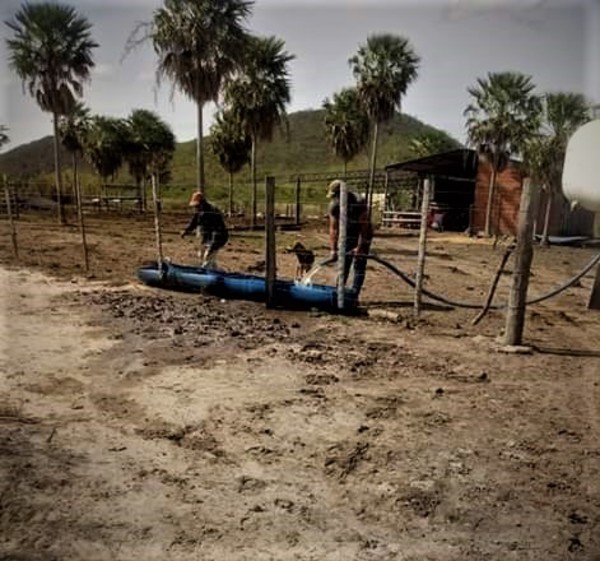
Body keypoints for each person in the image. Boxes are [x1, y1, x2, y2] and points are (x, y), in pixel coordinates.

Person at [327, 179, 374, 297]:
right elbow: (334, 228)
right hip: (346, 234)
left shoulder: (359, 202)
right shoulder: (334, 205)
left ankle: (354, 294)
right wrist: (333, 250)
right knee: (343, 264)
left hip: (361, 234)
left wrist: (360, 247)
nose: (335, 198)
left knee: (359, 264)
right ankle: (339, 293)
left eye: (336, 195)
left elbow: (364, 228)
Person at [181, 191, 229, 269]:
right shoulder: (200, 211)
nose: (195, 208)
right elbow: (194, 222)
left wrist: (212, 246)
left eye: (197, 206)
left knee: (208, 256)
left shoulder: (212, 212)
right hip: (207, 236)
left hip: (218, 237)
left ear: (202, 203)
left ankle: (207, 273)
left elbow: (217, 230)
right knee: (202, 255)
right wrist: (186, 231)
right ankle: (216, 271)